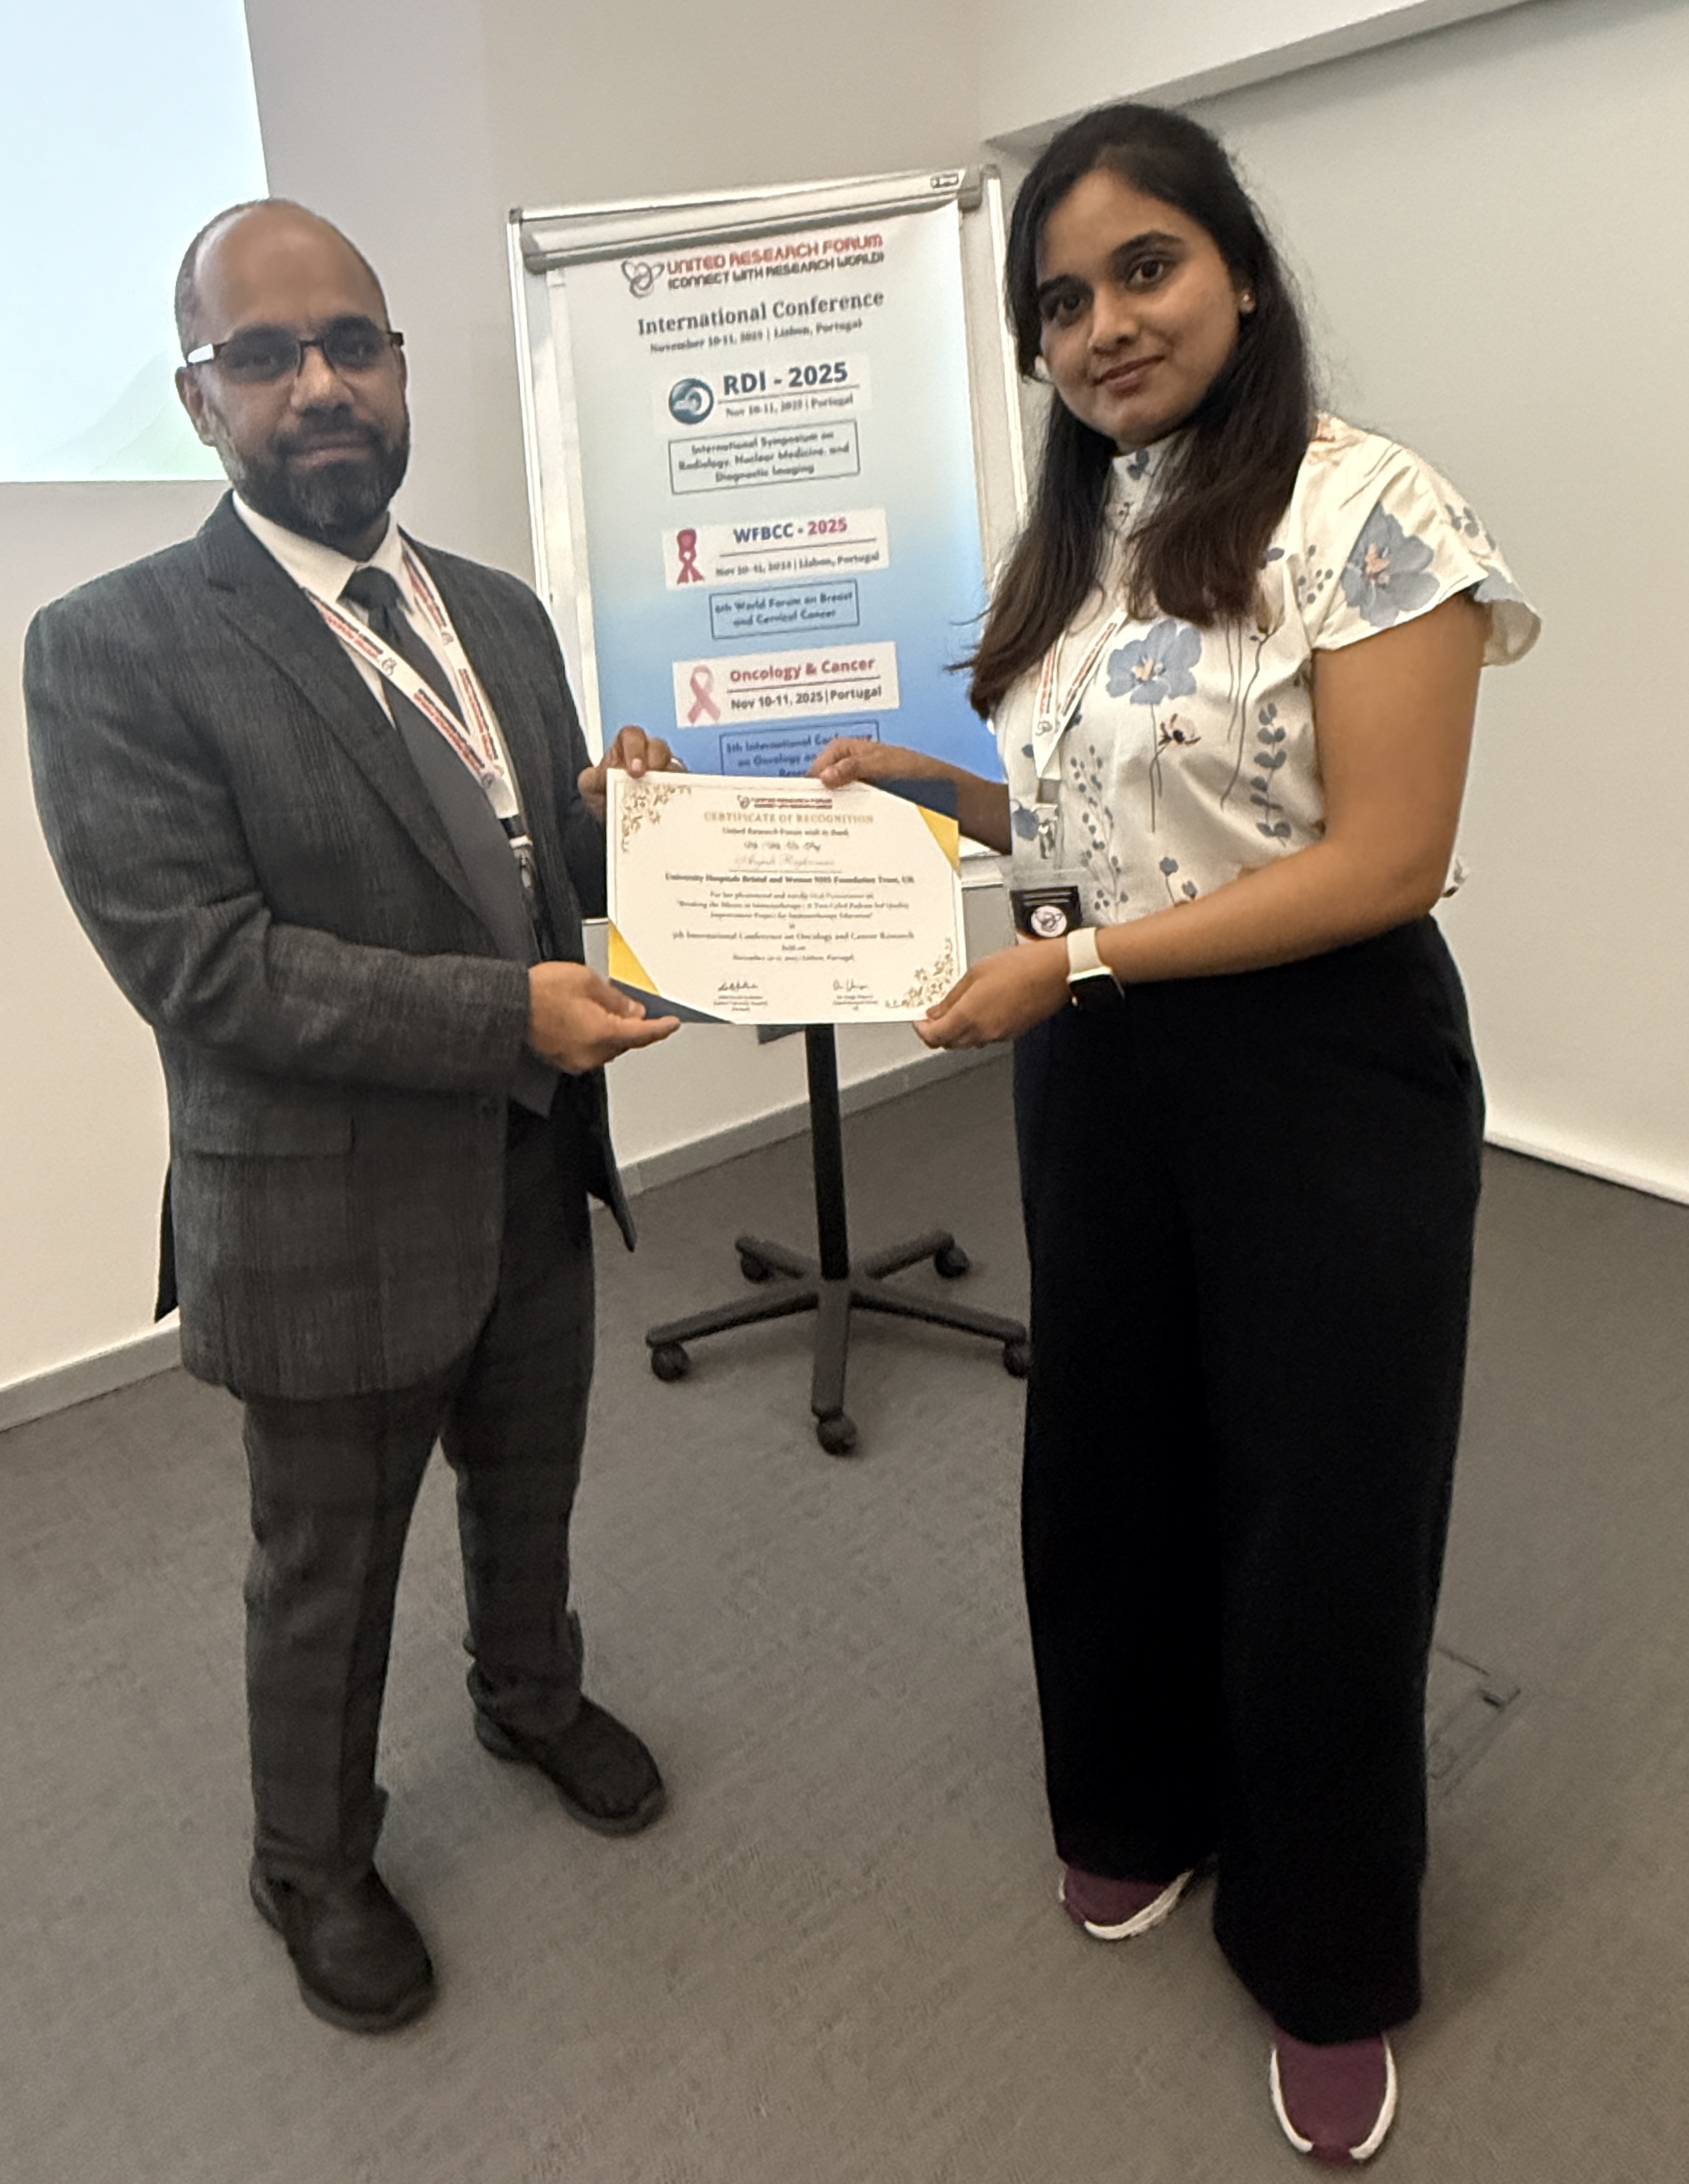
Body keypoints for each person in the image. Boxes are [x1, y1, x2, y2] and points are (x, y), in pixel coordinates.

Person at [813, 103, 1537, 2163]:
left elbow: (1385, 858)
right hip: (1106, 1068)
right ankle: (1133, 1800)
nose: (1105, 326)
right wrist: (944, 802)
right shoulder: (1082, 536)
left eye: (1146, 269)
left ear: (1241, 275)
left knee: (1325, 1505)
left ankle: (1325, 1952)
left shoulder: (1372, 507)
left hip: (1321, 1069)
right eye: (1061, 302)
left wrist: (1081, 967)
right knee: (1112, 1452)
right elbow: (1100, 824)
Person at [25, 199, 683, 2036]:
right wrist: (508, 1012)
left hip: (531, 1159)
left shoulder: (499, 613)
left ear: (400, 370)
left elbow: (537, 871)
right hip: (324, 1208)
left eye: (352, 344)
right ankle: (308, 1858)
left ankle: (528, 1695)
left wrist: (631, 826)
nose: (318, 383)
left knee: (533, 1479)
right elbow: (205, 965)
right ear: (199, 399)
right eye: (264, 355)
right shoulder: (112, 646)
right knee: (326, 1568)